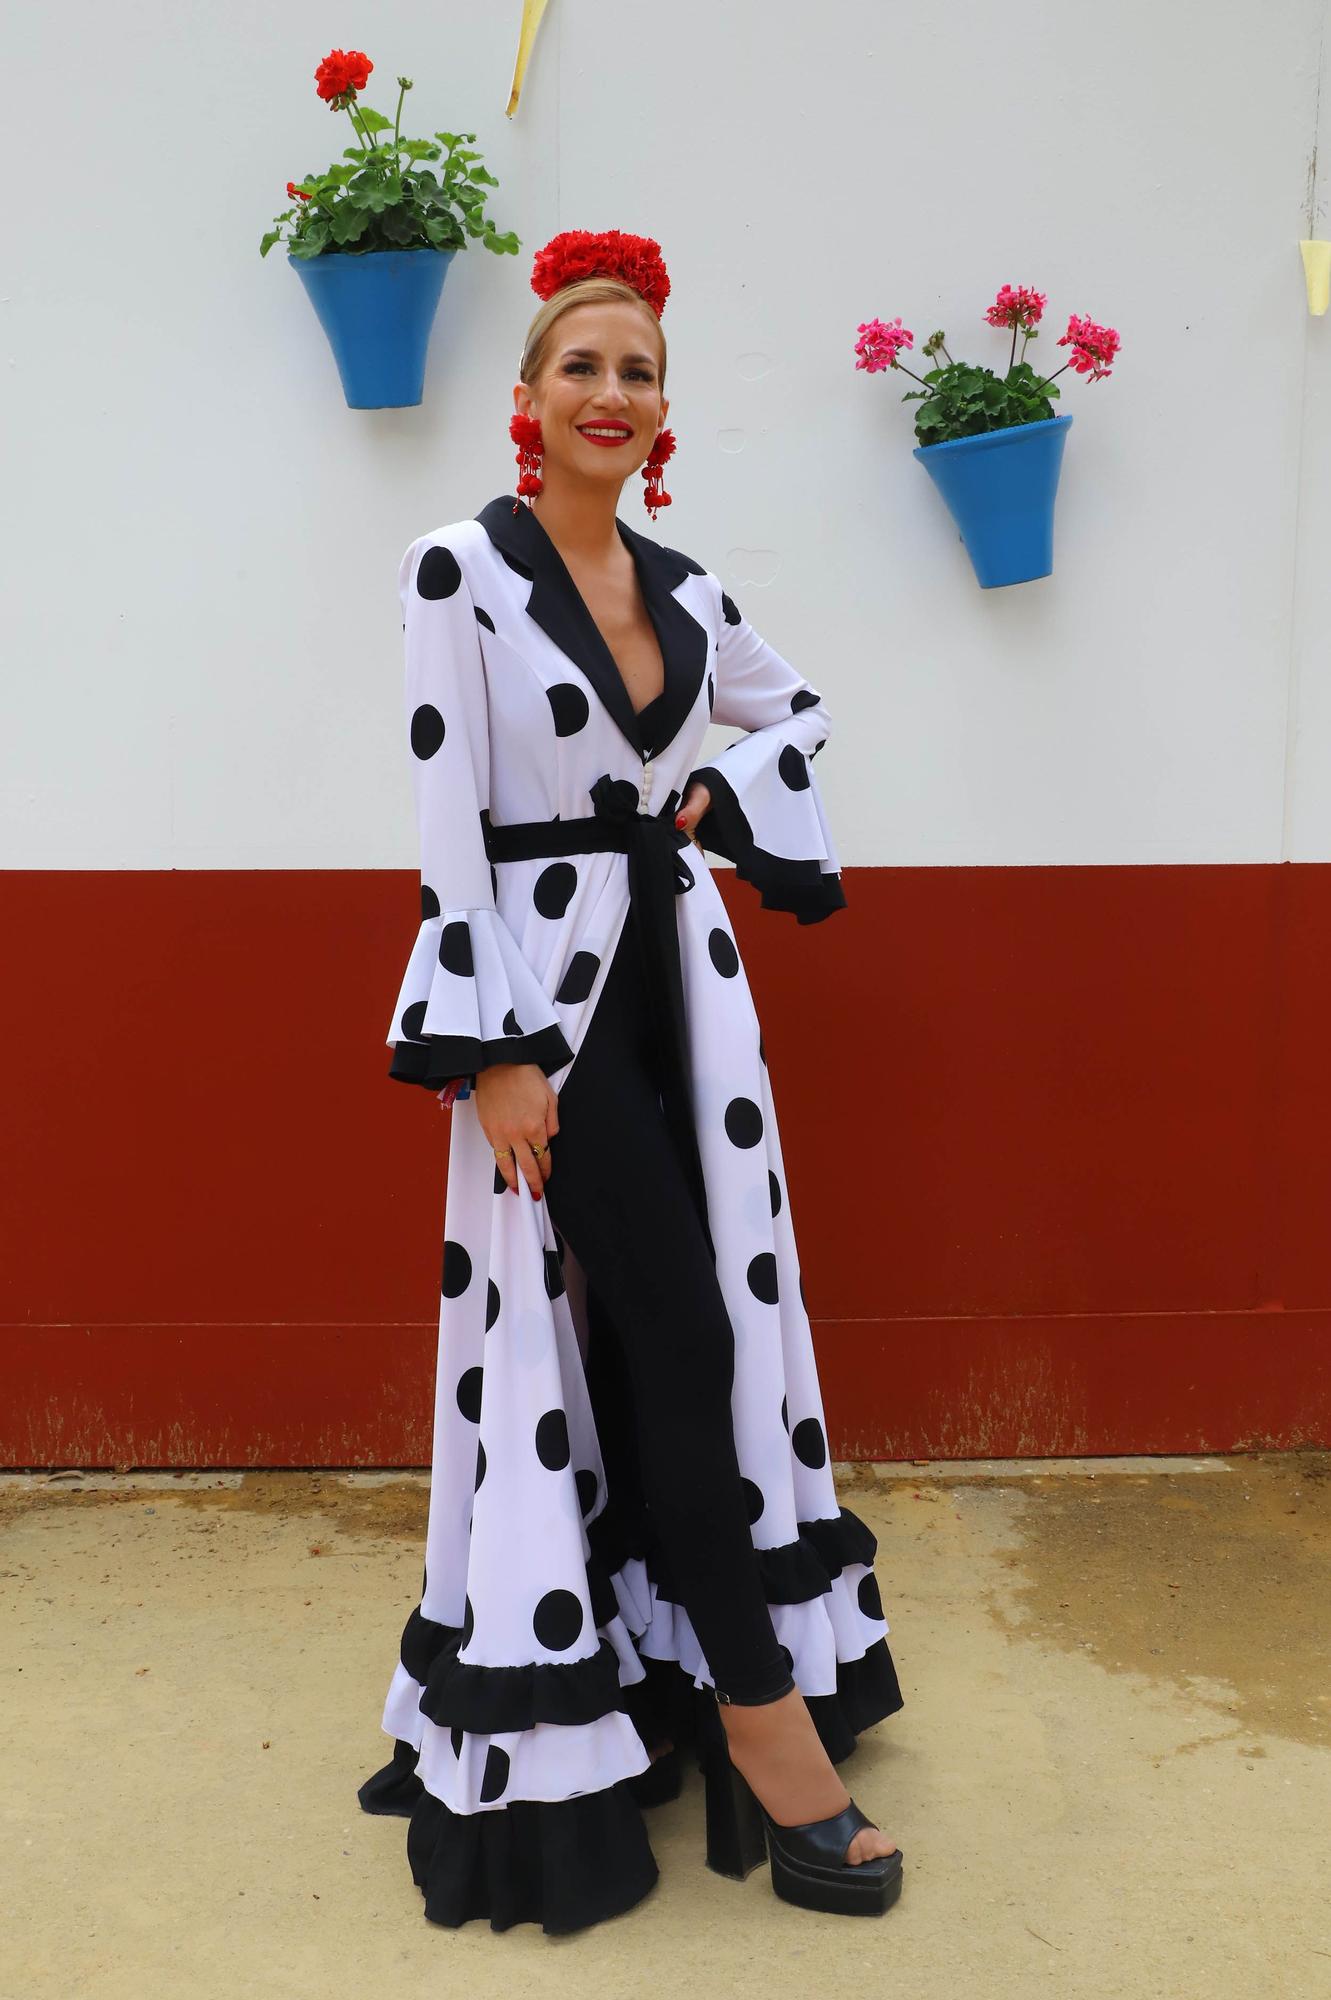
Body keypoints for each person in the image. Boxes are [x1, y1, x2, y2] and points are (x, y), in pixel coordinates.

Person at [357, 228, 905, 1935]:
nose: (613, 392)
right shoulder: (459, 570)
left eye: (640, 371)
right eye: (582, 367)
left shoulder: (688, 585)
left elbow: (795, 709)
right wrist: (500, 1054)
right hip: (551, 1013)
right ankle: (761, 1723)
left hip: (684, 991)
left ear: (668, 409)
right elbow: (448, 832)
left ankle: (659, 1669)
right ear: (529, 400)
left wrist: (717, 803)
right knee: (675, 1328)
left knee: (676, 1333)